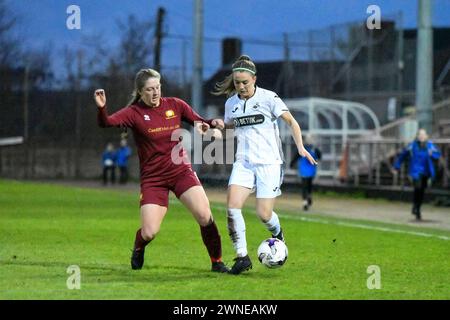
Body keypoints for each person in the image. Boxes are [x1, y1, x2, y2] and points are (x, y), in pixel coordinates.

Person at [94, 68, 229, 273]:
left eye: (158, 87)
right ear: (140, 91)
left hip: (180, 171)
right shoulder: (134, 113)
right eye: (150, 89)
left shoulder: (175, 105)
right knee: (149, 233)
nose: (156, 92)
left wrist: (213, 123)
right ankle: (139, 247)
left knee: (204, 215)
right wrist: (102, 108)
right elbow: (106, 122)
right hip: (153, 179)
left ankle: (217, 261)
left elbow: (197, 120)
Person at [212, 55, 317, 274]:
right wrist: (217, 130)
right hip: (243, 162)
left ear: (254, 79)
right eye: (237, 82)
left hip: (268, 163)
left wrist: (300, 147)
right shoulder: (231, 102)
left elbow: (291, 121)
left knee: (264, 214)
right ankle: (242, 257)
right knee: (232, 207)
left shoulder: (269, 98)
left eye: (245, 82)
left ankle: (277, 234)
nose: (240, 86)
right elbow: (230, 127)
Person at [393, 128, 441, 221]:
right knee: (417, 187)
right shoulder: (412, 146)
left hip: (426, 172)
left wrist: (433, 154)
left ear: (426, 136)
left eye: (423, 135)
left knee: (422, 191)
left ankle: (417, 209)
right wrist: (396, 167)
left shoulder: (430, 145)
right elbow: (402, 155)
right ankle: (415, 206)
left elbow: (437, 154)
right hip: (415, 171)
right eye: (420, 135)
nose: (422, 136)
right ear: (417, 136)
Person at [290, 134, 322, 211]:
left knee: (307, 185)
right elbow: (319, 157)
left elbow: (319, 157)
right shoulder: (307, 149)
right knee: (307, 185)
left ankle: (307, 198)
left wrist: (292, 164)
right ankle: (306, 200)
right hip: (307, 170)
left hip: (308, 170)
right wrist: (292, 164)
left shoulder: (310, 149)